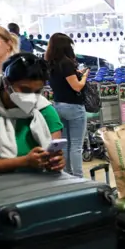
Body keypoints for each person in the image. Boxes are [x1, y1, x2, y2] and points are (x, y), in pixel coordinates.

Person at [0, 53, 65, 176]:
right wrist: (24, 162)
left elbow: (53, 154)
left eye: (37, 91)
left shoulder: (44, 110)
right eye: (24, 90)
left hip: (36, 185)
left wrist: (55, 162)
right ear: (6, 83)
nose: (31, 97)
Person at [44, 33, 90, 177]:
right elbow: (76, 87)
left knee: (65, 143)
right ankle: (78, 177)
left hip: (58, 106)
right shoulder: (66, 62)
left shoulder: (50, 63)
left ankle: (66, 175)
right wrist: (84, 77)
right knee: (76, 145)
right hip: (74, 107)